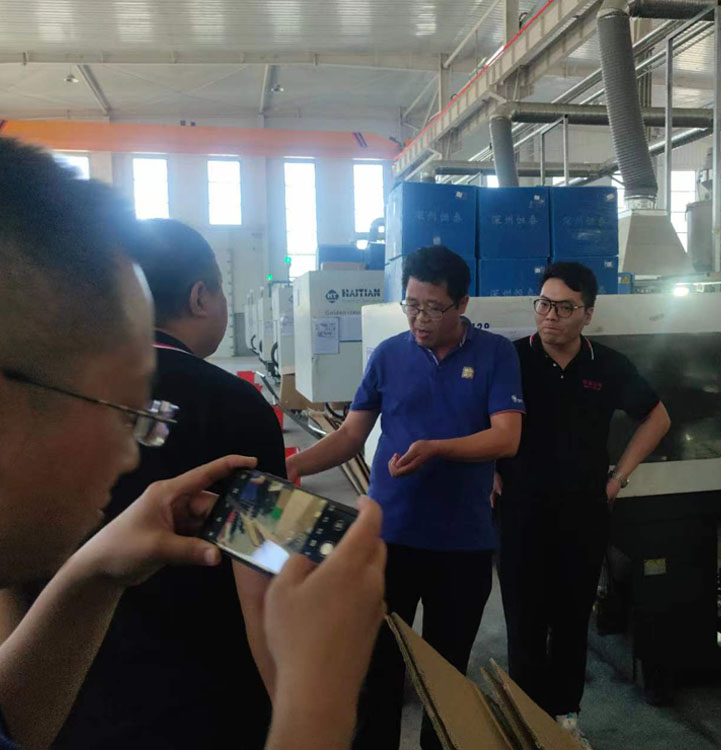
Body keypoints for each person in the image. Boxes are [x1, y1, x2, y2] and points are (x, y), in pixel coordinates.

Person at [0, 137, 385, 750]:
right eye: (123, 408)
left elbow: (14, 713)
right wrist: (317, 700)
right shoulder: (232, 404)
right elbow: (262, 587)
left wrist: (91, 575)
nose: (133, 454)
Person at [35, 218, 285, 749]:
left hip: (66, 696)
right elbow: (261, 587)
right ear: (200, 297)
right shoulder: (236, 406)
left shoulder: (54, 394)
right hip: (205, 703)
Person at [286, 245, 525, 750]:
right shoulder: (388, 355)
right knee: (378, 669)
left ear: (461, 304)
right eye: (411, 305)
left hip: (461, 544)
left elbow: (507, 437)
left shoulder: (495, 354)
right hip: (388, 538)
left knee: (444, 675)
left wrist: (438, 448)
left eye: (433, 307)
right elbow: (350, 435)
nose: (419, 318)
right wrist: (294, 465)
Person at [495, 261, 671, 750]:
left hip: (583, 514)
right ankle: (526, 723)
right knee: (524, 623)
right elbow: (475, 418)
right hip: (520, 513)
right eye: (543, 304)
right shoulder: (510, 359)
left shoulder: (607, 365)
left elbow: (657, 418)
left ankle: (565, 720)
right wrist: (487, 471)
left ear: (588, 314)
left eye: (564, 308)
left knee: (572, 622)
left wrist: (618, 479)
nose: (550, 316)